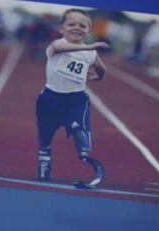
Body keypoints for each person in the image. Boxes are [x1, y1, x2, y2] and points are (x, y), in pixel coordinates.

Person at [35, 8, 110, 189]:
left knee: (80, 133)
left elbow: (102, 69)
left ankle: (85, 154)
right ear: (61, 28)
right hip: (49, 101)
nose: (77, 28)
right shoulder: (56, 45)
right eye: (71, 24)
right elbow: (63, 48)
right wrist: (91, 46)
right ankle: (44, 161)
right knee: (45, 139)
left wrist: (97, 76)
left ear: (89, 30)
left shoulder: (90, 54)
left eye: (82, 25)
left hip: (75, 101)